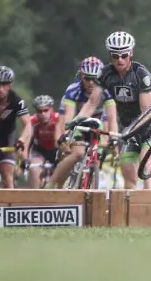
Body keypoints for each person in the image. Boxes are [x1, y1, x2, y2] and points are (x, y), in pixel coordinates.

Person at [63, 32, 151, 190]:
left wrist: (131, 130)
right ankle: (131, 210)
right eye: (115, 55)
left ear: (131, 54)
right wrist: (77, 120)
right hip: (127, 128)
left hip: (148, 127)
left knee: (146, 167)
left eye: (124, 55)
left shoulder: (141, 75)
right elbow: (92, 103)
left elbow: (146, 113)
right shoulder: (105, 74)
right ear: (110, 55)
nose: (119, 59)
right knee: (128, 173)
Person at [46, 57, 118, 189]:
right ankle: (51, 184)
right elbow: (68, 117)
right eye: (87, 79)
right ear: (81, 75)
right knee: (77, 154)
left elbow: (112, 117)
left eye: (94, 79)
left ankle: (92, 174)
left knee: (102, 147)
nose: (91, 83)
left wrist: (113, 139)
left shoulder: (106, 90)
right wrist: (66, 136)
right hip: (78, 123)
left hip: (98, 123)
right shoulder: (73, 90)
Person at [26, 95, 59, 188]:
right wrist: (24, 159)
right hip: (40, 150)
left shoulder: (59, 119)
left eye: (46, 110)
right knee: (34, 169)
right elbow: (27, 140)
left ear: (52, 109)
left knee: (61, 174)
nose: (43, 114)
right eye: (39, 111)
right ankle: (34, 199)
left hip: (56, 151)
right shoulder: (32, 120)